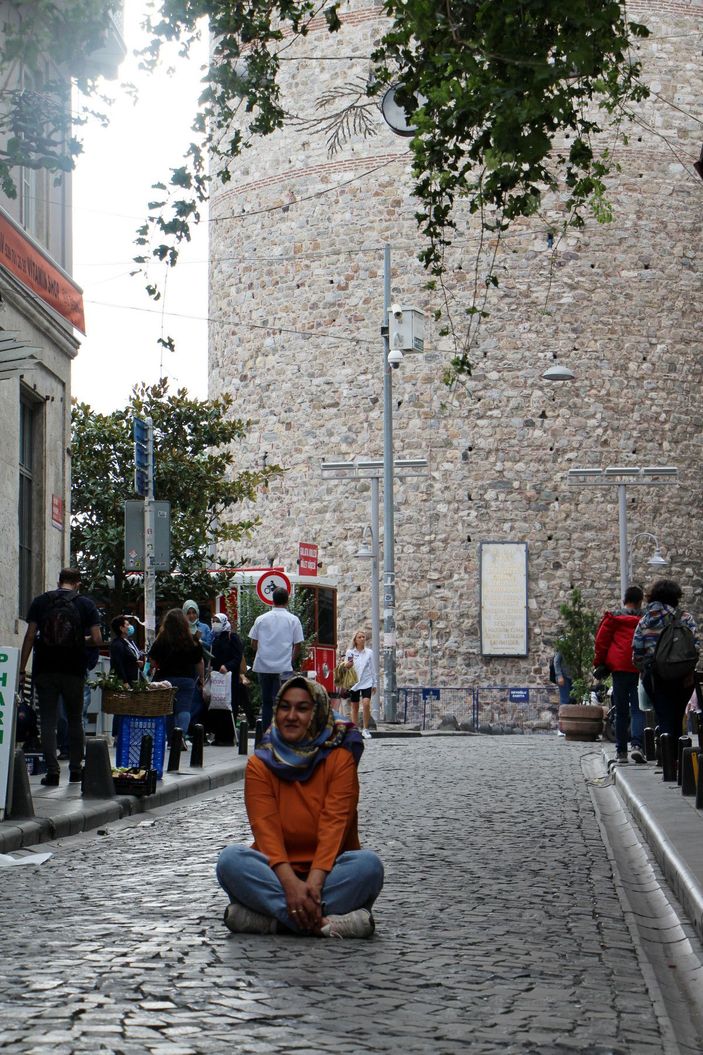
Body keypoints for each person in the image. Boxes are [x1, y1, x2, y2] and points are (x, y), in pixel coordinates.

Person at [216, 675, 384, 938]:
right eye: (285, 707)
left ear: (317, 713)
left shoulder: (340, 760)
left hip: (330, 873)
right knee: (230, 861)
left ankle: (272, 923)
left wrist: (314, 883)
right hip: (275, 873)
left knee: (368, 867)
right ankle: (326, 924)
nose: (291, 716)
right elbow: (266, 830)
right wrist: (291, 884)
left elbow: (335, 826)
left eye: (302, 709)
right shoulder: (260, 764)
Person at [18, 568, 102, 786]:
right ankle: (76, 770)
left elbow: (29, 636)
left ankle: (53, 772)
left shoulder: (41, 602)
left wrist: (21, 669)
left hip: (45, 669)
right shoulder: (86, 604)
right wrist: (77, 641)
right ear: (78, 584)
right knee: (75, 720)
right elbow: (97, 638)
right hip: (74, 670)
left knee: (47, 721)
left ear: (59, 581)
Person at [632, 579, 700, 741]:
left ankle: (667, 757)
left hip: (656, 677)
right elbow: (695, 647)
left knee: (663, 716)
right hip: (682, 677)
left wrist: (645, 669)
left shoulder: (645, 621)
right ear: (676, 597)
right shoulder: (685, 618)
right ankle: (677, 758)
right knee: (677, 715)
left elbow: (636, 654)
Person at [594, 585, 645, 764]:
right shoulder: (645, 619)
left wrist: (599, 663)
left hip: (619, 668)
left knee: (621, 711)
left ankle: (621, 752)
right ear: (640, 602)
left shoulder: (614, 618)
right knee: (638, 710)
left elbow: (601, 642)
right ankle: (637, 746)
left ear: (625, 600)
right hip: (639, 668)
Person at [249, 587, 304, 731]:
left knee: (266, 702)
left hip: (263, 666)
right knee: (281, 702)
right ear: (287, 600)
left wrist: (263, 653)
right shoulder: (293, 620)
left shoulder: (260, 619)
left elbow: (253, 643)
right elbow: (298, 645)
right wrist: (290, 660)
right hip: (284, 668)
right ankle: (280, 731)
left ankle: (267, 732)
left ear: (272, 600)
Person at [148, 608, 205, 747]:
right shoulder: (192, 640)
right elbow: (199, 662)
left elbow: (153, 661)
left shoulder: (161, 640)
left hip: (165, 679)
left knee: (168, 709)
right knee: (184, 708)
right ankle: (181, 737)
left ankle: (170, 739)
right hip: (187, 679)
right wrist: (201, 679)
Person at [207, 612, 247, 745]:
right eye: (213, 621)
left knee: (229, 705)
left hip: (230, 678)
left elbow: (237, 657)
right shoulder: (214, 638)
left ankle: (228, 737)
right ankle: (219, 737)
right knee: (217, 705)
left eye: (217, 621)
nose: (215, 624)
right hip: (217, 678)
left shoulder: (232, 637)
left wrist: (228, 666)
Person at [344, 629, 377, 739]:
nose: (362, 638)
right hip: (354, 682)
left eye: (363, 637)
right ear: (355, 640)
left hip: (367, 681)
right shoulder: (350, 652)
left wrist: (374, 683)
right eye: (360, 637)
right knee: (355, 706)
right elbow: (346, 667)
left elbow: (373, 668)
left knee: (366, 703)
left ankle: (366, 729)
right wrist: (348, 664)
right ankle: (355, 730)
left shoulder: (369, 653)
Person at [109, 615, 143, 685]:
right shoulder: (117, 644)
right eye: (127, 624)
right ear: (121, 628)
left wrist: (136, 663)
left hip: (134, 679)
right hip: (126, 682)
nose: (130, 626)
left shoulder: (129, 641)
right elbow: (118, 664)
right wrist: (124, 682)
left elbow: (131, 657)